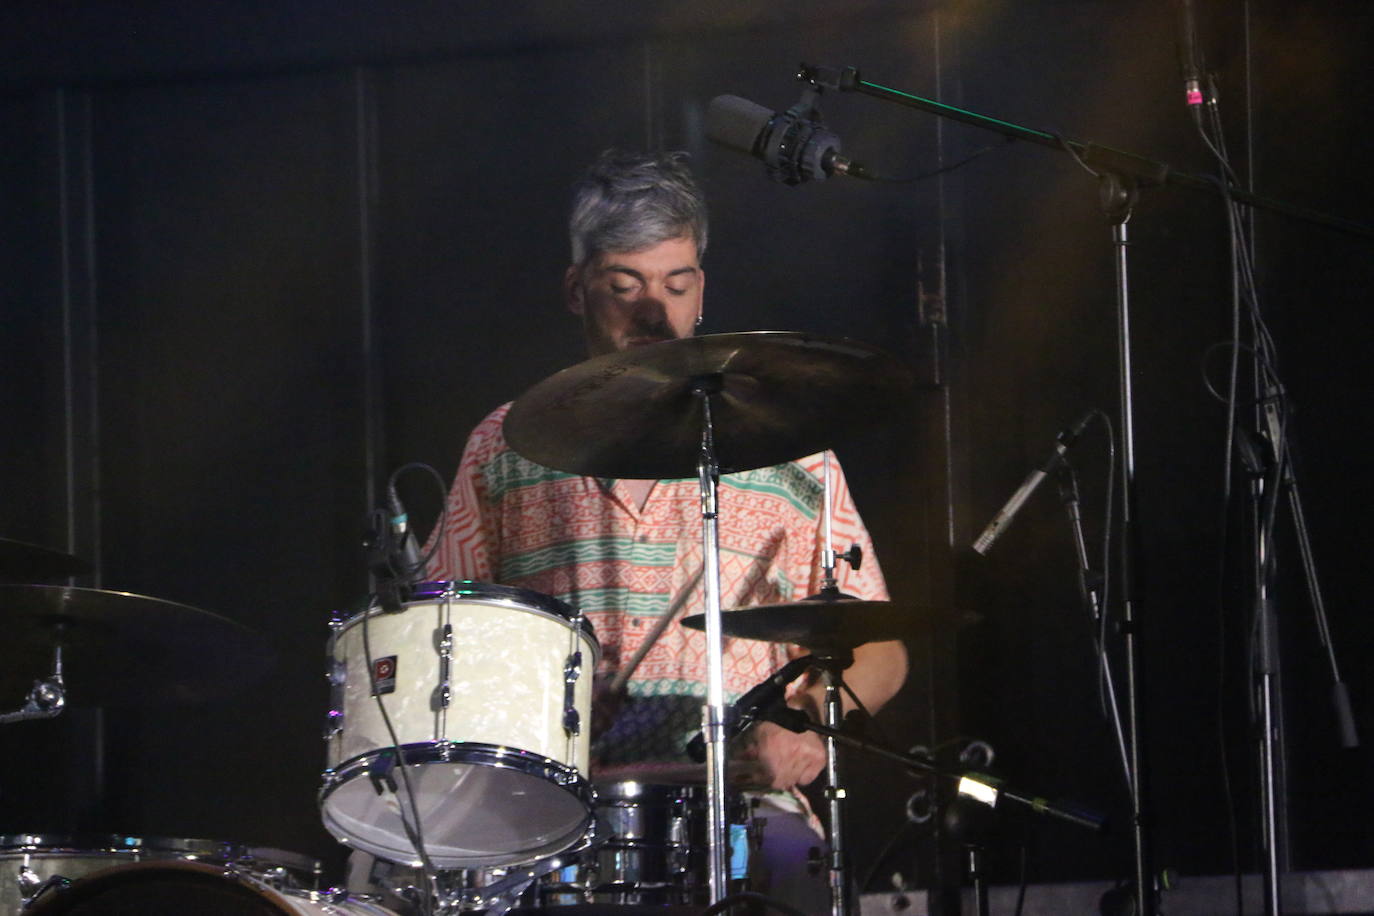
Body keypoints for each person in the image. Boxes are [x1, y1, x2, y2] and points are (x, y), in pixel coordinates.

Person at [425, 149, 907, 911]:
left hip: (744, 819)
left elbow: (879, 645)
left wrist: (812, 729)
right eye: (625, 287)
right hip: (565, 827)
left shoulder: (796, 455)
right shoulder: (504, 447)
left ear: (702, 292)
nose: (655, 312)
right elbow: (438, 641)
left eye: (676, 285)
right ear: (575, 290)